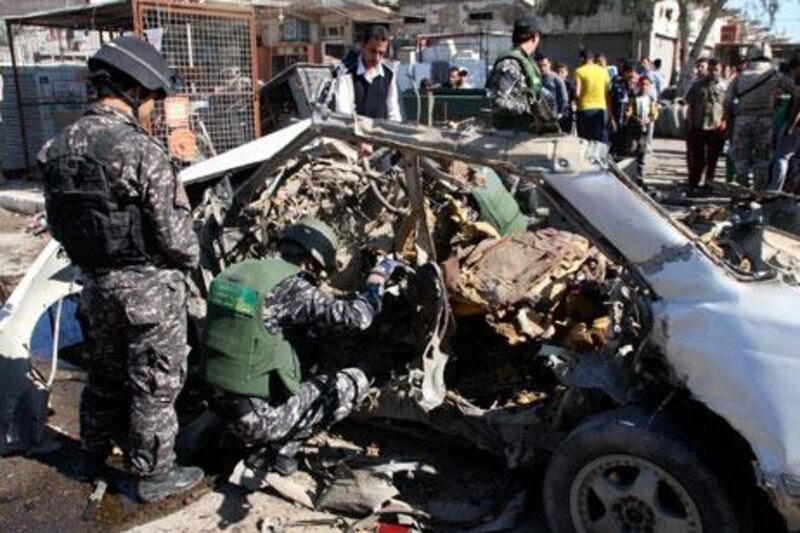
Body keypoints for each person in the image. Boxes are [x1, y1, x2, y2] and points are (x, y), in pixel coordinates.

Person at [40, 36, 203, 502]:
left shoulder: (57, 148)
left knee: (105, 376)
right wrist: (185, 261)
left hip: (93, 288)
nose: (153, 111)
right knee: (154, 383)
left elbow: (58, 224)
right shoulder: (141, 153)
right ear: (134, 92)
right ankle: (154, 476)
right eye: (152, 100)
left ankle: (90, 455)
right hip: (148, 295)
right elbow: (179, 241)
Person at [202, 219, 393, 479]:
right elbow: (357, 318)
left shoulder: (241, 272)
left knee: (304, 346)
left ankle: (248, 439)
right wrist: (376, 279)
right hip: (259, 421)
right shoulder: (292, 286)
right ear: (312, 260)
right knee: (354, 381)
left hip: (218, 404)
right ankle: (277, 451)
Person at [726, 42, 797, 190]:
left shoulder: (740, 77)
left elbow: (728, 102)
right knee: (762, 159)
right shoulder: (774, 75)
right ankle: (759, 192)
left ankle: (741, 189)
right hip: (765, 122)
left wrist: (731, 124)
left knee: (741, 158)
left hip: (742, 121)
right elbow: (796, 92)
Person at [333, 25, 402, 156]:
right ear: (363, 46)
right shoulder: (346, 73)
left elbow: (393, 111)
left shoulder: (389, 73)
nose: (377, 58)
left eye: (381, 53)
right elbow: (344, 114)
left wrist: (396, 139)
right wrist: (360, 141)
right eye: (373, 51)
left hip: (382, 145)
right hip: (353, 146)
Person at [486, 16, 557, 133]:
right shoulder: (509, 64)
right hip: (511, 136)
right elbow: (497, 103)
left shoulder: (525, 62)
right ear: (535, 38)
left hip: (528, 133)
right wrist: (529, 108)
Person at [685, 58, 728, 192]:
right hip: (699, 126)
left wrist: (725, 122)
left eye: (715, 70)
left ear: (721, 70)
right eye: (710, 69)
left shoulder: (725, 86)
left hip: (716, 128)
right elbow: (690, 104)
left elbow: (728, 106)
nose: (712, 72)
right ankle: (693, 184)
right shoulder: (698, 85)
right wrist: (690, 125)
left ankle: (709, 183)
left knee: (712, 158)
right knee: (697, 158)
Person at [574, 49, 611, 142]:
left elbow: (577, 93)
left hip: (584, 108)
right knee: (599, 137)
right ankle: (598, 156)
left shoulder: (579, 71)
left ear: (582, 59)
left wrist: (575, 103)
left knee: (584, 139)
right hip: (600, 108)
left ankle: (586, 156)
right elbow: (607, 91)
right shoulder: (603, 71)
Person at [608, 62, 637, 158]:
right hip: (615, 118)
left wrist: (629, 112)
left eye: (633, 72)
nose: (632, 75)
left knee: (624, 147)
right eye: (630, 72)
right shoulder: (616, 83)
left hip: (626, 122)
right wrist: (611, 118)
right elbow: (609, 101)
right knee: (613, 145)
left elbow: (632, 101)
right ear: (625, 72)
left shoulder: (632, 86)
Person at [538, 56, 569, 125]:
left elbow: (564, 97)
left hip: (555, 114)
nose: (542, 68)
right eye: (540, 66)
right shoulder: (538, 79)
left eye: (544, 65)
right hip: (542, 115)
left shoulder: (556, 78)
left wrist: (561, 113)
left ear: (549, 64)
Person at [555, 62, 576, 133]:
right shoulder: (553, 84)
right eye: (557, 72)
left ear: (566, 73)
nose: (559, 74)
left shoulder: (569, 85)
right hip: (555, 113)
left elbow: (574, 98)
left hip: (567, 113)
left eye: (562, 72)